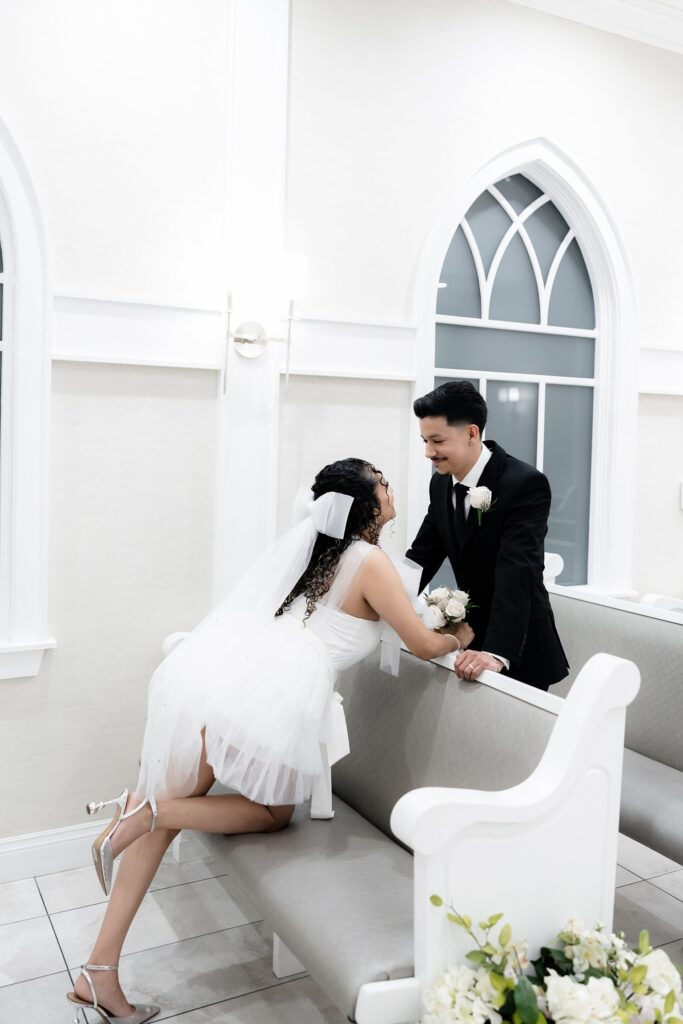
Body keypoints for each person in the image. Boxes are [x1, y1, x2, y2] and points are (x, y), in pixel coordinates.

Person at [67, 457, 471, 1023]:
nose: (390, 486)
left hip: (236, 680)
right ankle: (146, 814)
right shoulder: (370, 561)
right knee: (271, 814)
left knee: (185, 817)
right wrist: (467, 630)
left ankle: (99, 966)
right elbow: (425, 646)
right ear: (366, 503)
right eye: (382, 481)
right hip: (274, 694)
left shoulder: (319, 553)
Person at [407, 381, 569, 690]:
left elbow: (517, 570)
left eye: (437, 440)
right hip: (468, 635)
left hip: (517, 644)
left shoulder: (524, 483)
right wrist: (386, 603)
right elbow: (422, 555)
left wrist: (497, 652)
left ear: (471, 432)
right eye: (424, 441)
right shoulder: (440, 484)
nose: (429, 452)